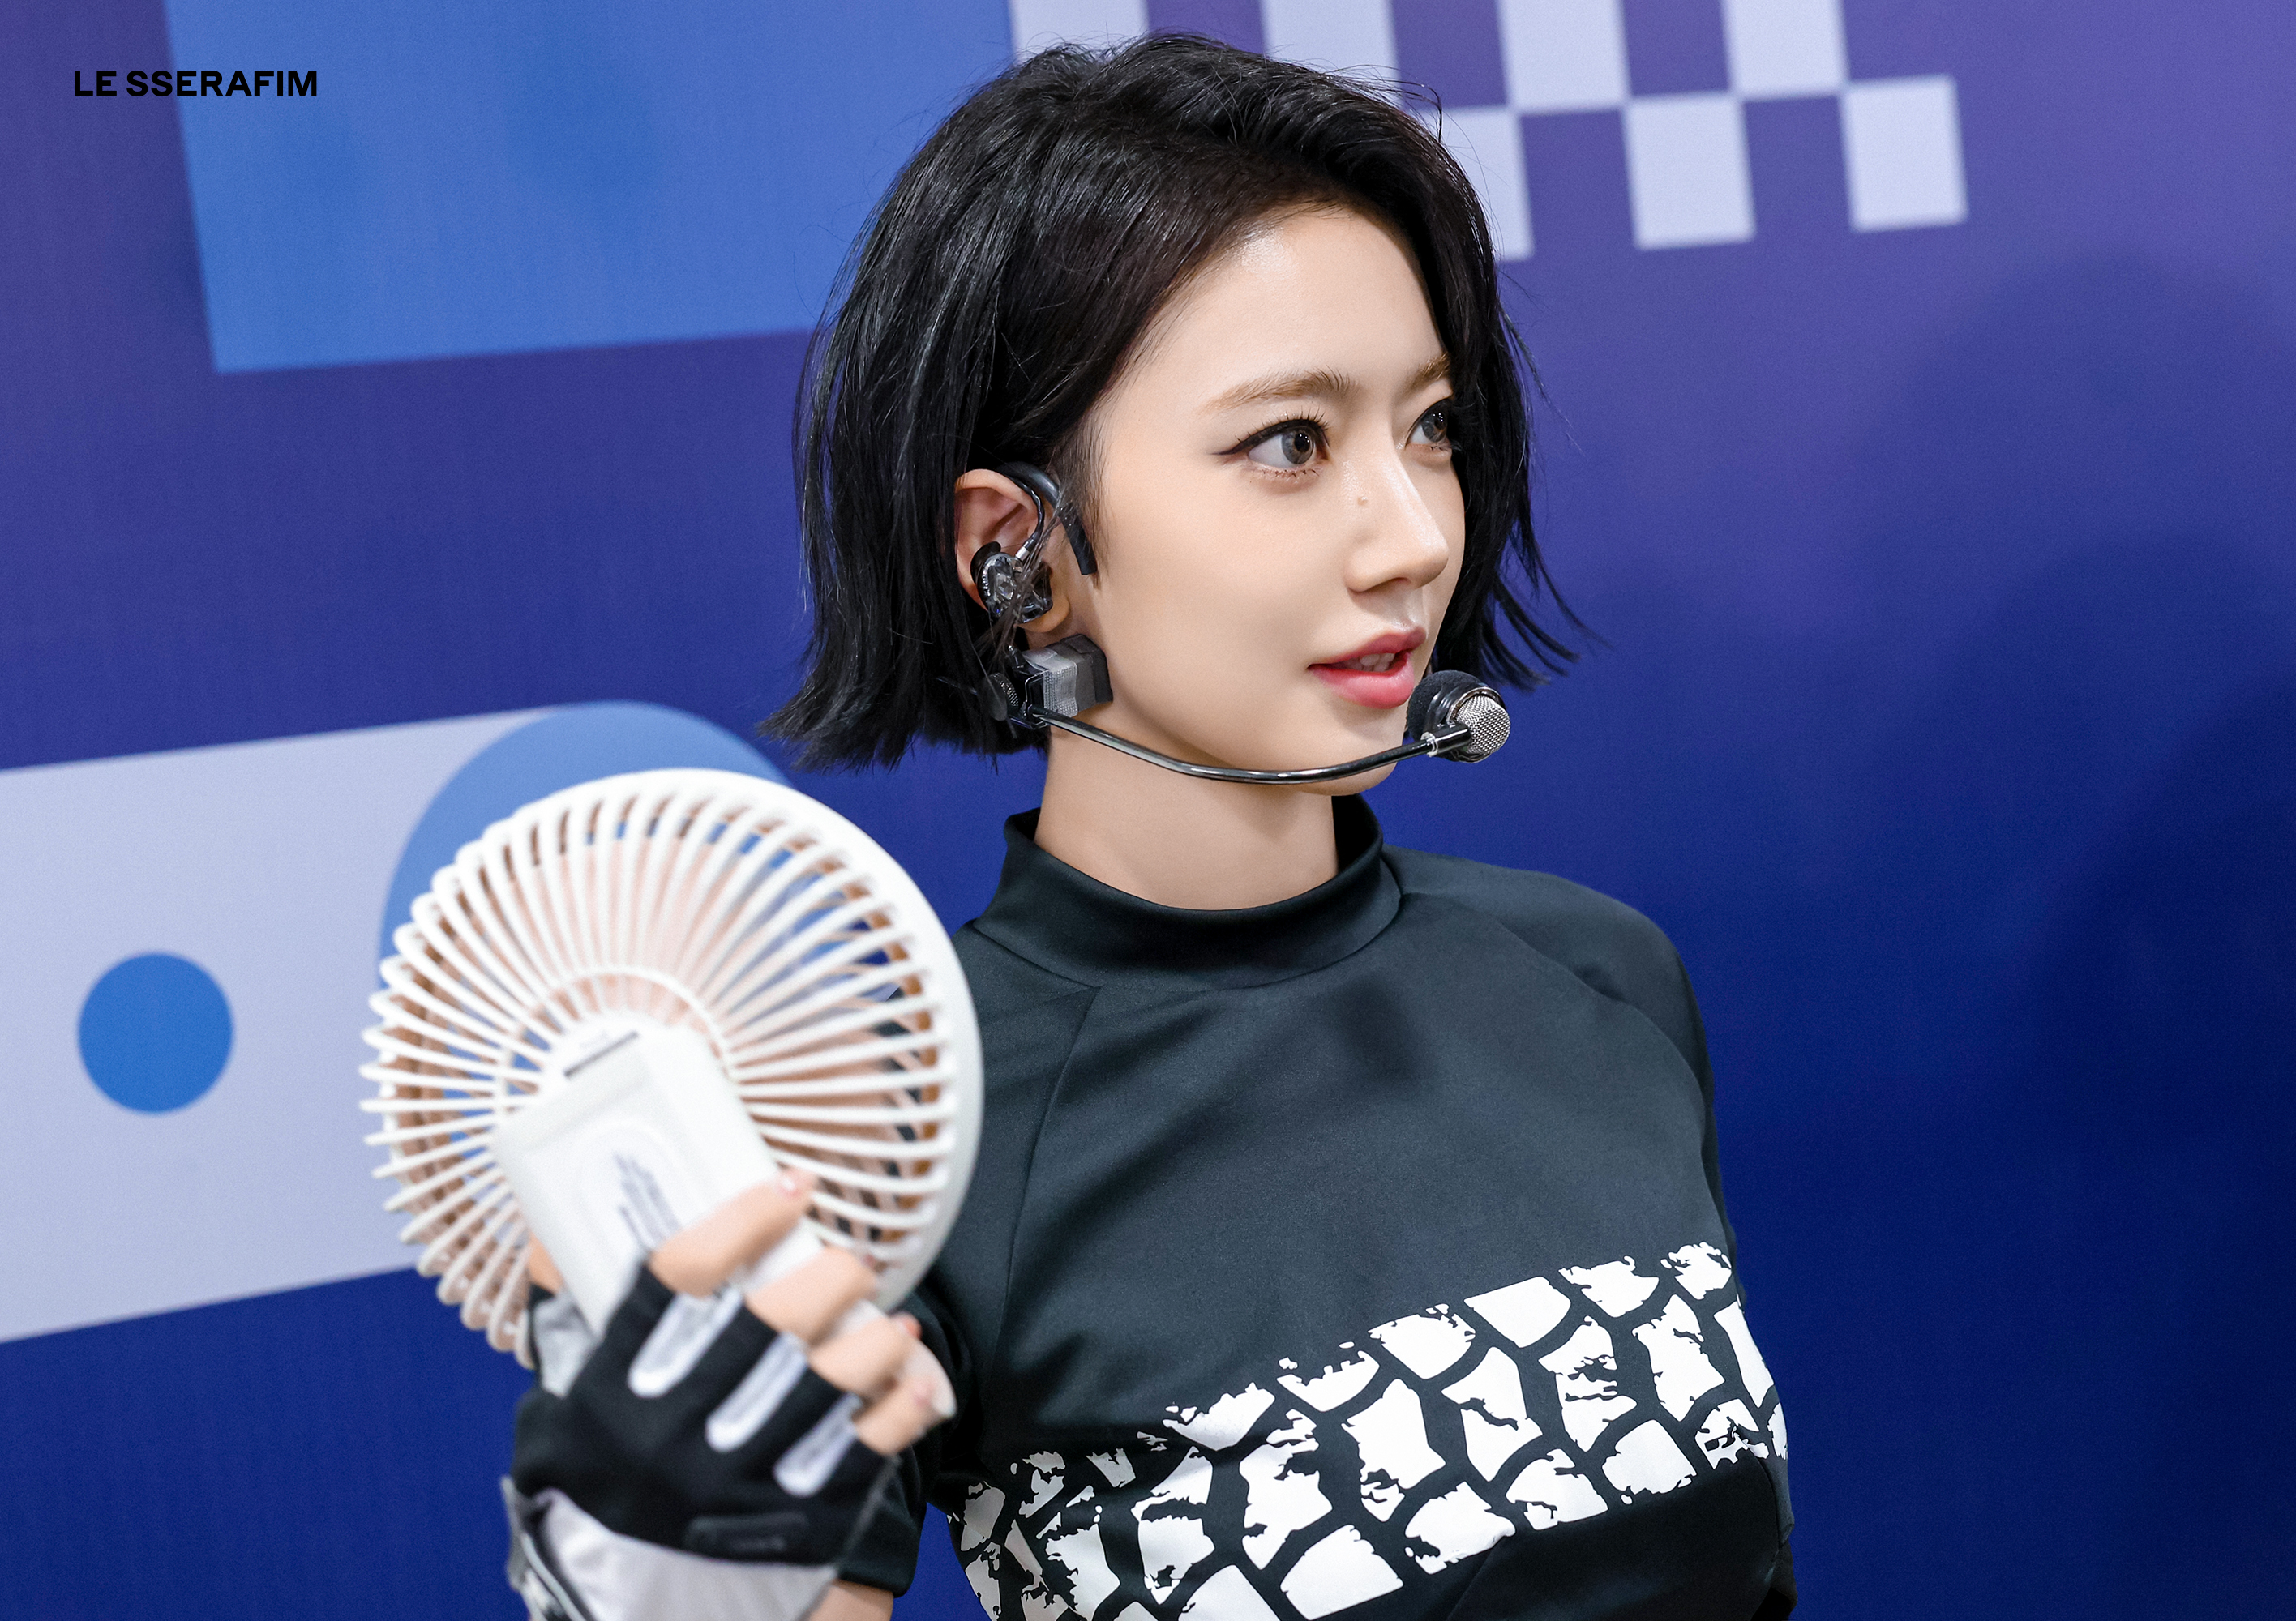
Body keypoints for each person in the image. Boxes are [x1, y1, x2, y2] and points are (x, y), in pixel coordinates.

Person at [512, 32, 1794, 1621]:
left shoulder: (1598, 975)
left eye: (1432, 428)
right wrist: (636, 1569)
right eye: (1289, 445)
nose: (1412, 537)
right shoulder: (896, 1142)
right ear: (1018, 552)